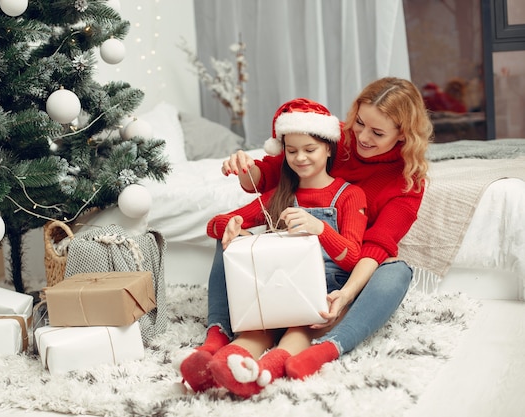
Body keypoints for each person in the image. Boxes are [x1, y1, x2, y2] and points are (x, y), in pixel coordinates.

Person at [179, 76, 432, 394]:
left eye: (378, 132)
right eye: (359, 124)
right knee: (233, 242)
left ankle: (326, 348)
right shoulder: (333, 136)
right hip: (287, 269)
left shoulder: (405, 183)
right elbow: (274, 172)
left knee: (397, 270)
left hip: (344, 271)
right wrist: (245, 172)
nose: (362, 137)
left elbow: (373, 247)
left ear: (404, 135)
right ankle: (217, 339)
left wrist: (344, 296)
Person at [197, 98, 367, 398]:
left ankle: (265, 373)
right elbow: (215, 224)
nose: (300, 158)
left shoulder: (350, 196)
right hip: (278, 285)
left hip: (324, 292)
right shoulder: (282, 194)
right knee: (256, 329)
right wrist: (236, 225)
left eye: (310, 150)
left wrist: (320, 229)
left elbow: (353, 257)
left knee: (298, 329)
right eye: (292, 151)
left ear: (328, 148)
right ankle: (212, 368)